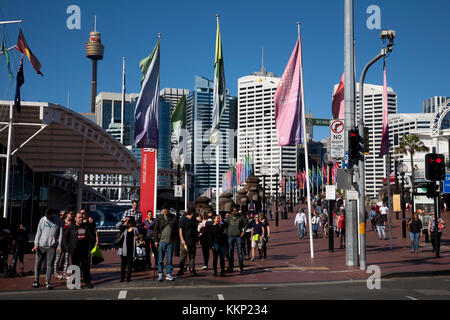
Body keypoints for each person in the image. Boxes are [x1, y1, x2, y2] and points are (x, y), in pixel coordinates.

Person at [32, 208, 64, 290]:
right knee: (38, 264)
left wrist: (59, 245)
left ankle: (47, 283)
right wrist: (36, 244)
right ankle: (36, 281)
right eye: (46, 216)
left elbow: (61, 234)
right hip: (41, 246)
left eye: (49, 216)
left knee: (49, 265)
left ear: (53, 214)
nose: (47, 218)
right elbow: (38, 232)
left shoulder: (59, 221)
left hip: (51, 247)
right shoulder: (43, 220)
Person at [63, 212, 96, 289]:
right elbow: (65, 238)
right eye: (79, 217)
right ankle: (76, 283)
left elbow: (92, 237)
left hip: (84, 250)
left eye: (82, 217)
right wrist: (68, 248)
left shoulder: (86, 227)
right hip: (75, 250)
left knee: (86, 267)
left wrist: (91, 246)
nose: (81, 219)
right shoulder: (71, 227)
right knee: (75, 267)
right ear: (75, 219)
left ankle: (87, 282)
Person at [154, 204, 178, 281]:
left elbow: (176, 228)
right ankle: (160, 273)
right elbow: (156, 230)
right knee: (160, 259)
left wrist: (175, 238)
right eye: (164, 209)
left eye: (166, 209)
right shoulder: (159, 218)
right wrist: (156, 240)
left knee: (169, 259)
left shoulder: (173, 217)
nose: (165, 210)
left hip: (170, 241)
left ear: (169, 210)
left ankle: (168, 274)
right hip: (161, 241)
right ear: (162, 210)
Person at [115, 216, 139, 282]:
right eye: (127, 220)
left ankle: (128, 277)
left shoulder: (135, 229)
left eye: (129, 221)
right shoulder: (124, 228)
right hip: (123, 249)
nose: (127, 222)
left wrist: (137, 238)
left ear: (132, 222)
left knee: (130, 264)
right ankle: (122, 278)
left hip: (131, 249)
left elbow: (139, 236)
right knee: (123, 264)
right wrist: (123, 221)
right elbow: (116, 226)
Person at [224, 205, 247, 273]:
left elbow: (246, 223)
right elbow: (226, 225)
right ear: (232, 211)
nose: (236, 212)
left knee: (240, 252)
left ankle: (241, 267)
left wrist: (243, 231)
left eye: (237, 211)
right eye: (234, 211)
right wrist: (226, 233)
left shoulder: (241, 217)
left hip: (238, 236)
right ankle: (231, 267)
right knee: (231, 252)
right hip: (230, 236)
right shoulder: (229, 217)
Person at [177, 207, 198, 276]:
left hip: (192, 241)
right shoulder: (183, 220)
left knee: (192, 256)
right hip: (185, 241)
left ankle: (192, 269)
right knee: (183, 256)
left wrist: (197, 239)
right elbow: (180, 230)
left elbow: (195, 230)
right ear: (192, 213)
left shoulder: (194, 220)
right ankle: (181, 269)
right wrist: (182, 239)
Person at [54, 213, 72, 280]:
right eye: (68, 217)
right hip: (60, 244)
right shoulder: (61, 223)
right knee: (57, 258)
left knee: (66, 259)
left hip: (67, 244)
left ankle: (65, 273)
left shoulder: (71, 223)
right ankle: (55, 273)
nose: (69, 219)